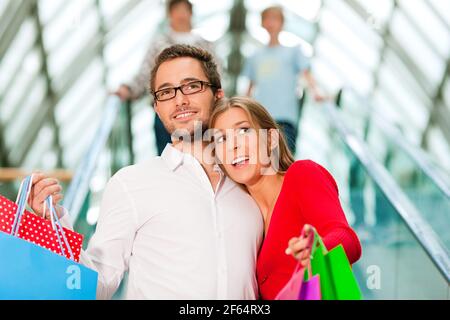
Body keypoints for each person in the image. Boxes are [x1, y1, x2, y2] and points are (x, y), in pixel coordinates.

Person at [29, 45, 263, 300]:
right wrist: (51, 225)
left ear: (218, 95)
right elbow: (96, 285)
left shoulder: (250, 187)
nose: (180, 100)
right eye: (166, 92)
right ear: (156, 107)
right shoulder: (130, 183)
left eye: (192, 86)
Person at [209, 96, 362, 300]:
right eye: (222, 139)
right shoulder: (243, 215)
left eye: (244, 130)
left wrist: (316, 249)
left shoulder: (302, 175)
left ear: (271, 139)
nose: (233, 146)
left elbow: (348, 239)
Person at [115, 0, 216, 156]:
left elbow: (217, 76)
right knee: (169, 160)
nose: (181, 14)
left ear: (191, 13)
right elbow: (145, 74)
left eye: (184, 10)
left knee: (203, 156)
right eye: (176, 10)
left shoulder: (205, 44)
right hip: (168, 115)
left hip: (199, 113)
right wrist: (127, 89)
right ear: (169, 15)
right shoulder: (159, 44)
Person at [242, 6, 324, 155]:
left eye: (275, 19)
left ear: (282, 23)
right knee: (262, 160)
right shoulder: (255, 56)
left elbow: (307, 73)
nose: (271, 23)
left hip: (285, 118)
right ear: (262, 23)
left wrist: (317, 92)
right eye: (267, 19)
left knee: (283, 160)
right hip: (261, 118)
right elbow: (250, 87)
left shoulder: (294, 51)